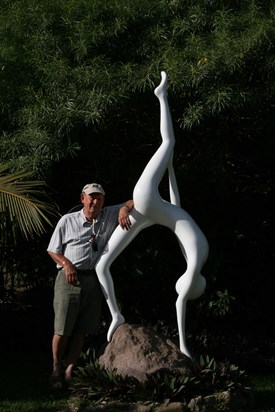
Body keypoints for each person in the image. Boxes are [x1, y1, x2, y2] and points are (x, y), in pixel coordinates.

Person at [95, 72, 209, 359]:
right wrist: (182, 345)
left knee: (100, 266)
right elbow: (180, 302)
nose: (180, 288)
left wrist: (170, 170)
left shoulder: (193, 255)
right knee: (167, 143)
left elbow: (177, 208)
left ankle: (115, 315)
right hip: (149, 204)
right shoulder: (196, 259)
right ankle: (162, 96)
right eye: (182, 287)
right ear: (192, 283)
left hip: (152, 212)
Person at [47, 182, 133, 389]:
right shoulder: (67, 221)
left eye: (99, 198)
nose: (95, 201)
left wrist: (123, 208)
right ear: (82, 198)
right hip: (69, 278)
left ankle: (70, 370)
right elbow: (52, 250)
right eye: (91, 197)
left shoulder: (108, 215)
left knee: (82, 329)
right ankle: (56, 369)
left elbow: (137, 199)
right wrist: (67, 264)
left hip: (93, 279)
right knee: (62, 328)